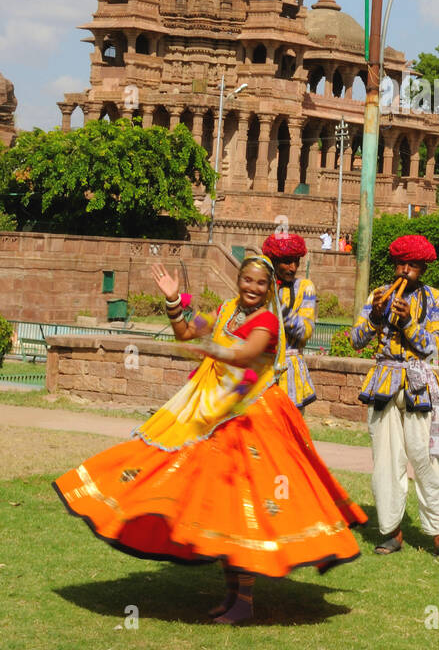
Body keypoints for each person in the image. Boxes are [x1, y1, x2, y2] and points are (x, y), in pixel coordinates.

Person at [53, 255, 366, 625]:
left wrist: (208, 347)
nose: (251, 288)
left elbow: (243, 355)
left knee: (243, 506)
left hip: (250, 416)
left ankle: (244, 601)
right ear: (238, 280)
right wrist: (173, 302)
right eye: (246, 280)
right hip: (214, 411)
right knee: (215, 502)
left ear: (269, 289)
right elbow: (190, 331)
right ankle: (234, 596)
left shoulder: (266, 320)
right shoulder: (228, 310)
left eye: (260, 284)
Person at [351, 233, 439, 564]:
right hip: (384, 382)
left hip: (419, 384)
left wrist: (409, 323)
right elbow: (357, 340)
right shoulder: (377, 295)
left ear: (422, 269)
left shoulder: (435, 298)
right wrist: (375, 316)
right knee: (386, 461)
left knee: (428, 460)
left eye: (413, 265)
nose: (405, 270)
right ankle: (392, 532)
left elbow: (435, 347)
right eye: (401, 263)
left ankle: (438, 535)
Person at [262, 231, 317, 408]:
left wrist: (278, 305)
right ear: (273, 262)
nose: (293, 268)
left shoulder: (304, 287)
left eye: (296, 262)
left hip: (290, 370)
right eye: (287, 262)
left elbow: (306, 331)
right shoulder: (260, 286)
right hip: (261, 369)